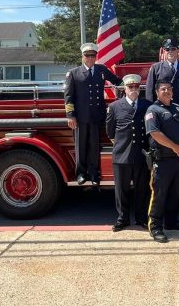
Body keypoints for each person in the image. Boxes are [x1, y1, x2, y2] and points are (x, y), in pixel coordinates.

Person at [64, 42, 122, 186]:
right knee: (81, 146)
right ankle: (81, 173)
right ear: (82, 56)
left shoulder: (102, 70)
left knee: (94, 146)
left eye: (93, 55)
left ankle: (94, 173)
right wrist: (70, 115)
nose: (90, 58)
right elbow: (68, 96)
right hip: (81, 117)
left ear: (96, 57)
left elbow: (117, 81)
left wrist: (129, 85)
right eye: (87, 55)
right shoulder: (74, 73)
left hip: (97, 116)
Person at [144, 81, 179, 243]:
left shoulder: (178, 108)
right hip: (162, 159)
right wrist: (175, 146)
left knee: (175, 193)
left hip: (177, 159)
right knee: (159, 194)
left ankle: (171, 222)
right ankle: (155, 227)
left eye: (169, 89)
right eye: (163, 89)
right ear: (157, 92)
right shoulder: (153, 110)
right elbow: (154, 133)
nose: (167, 91)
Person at [106, 74, 152, 231]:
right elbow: (110, 132)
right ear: (124, 89)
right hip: (121, 155)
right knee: (121, 190)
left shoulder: (147, 105)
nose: (133, 89)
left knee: (142, 189)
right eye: (130, 87)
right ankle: (122, 219)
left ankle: (141, 218)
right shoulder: (114, 107)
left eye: (136, 87)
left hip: (141, 155)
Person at [146, 37, 179, 113]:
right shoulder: (156, 68)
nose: (170, 51)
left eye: (173, 49)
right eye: (167, 49)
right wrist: (151, 109)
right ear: (164, 51)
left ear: (177, 50)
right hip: (162, 109)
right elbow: (150, 91)